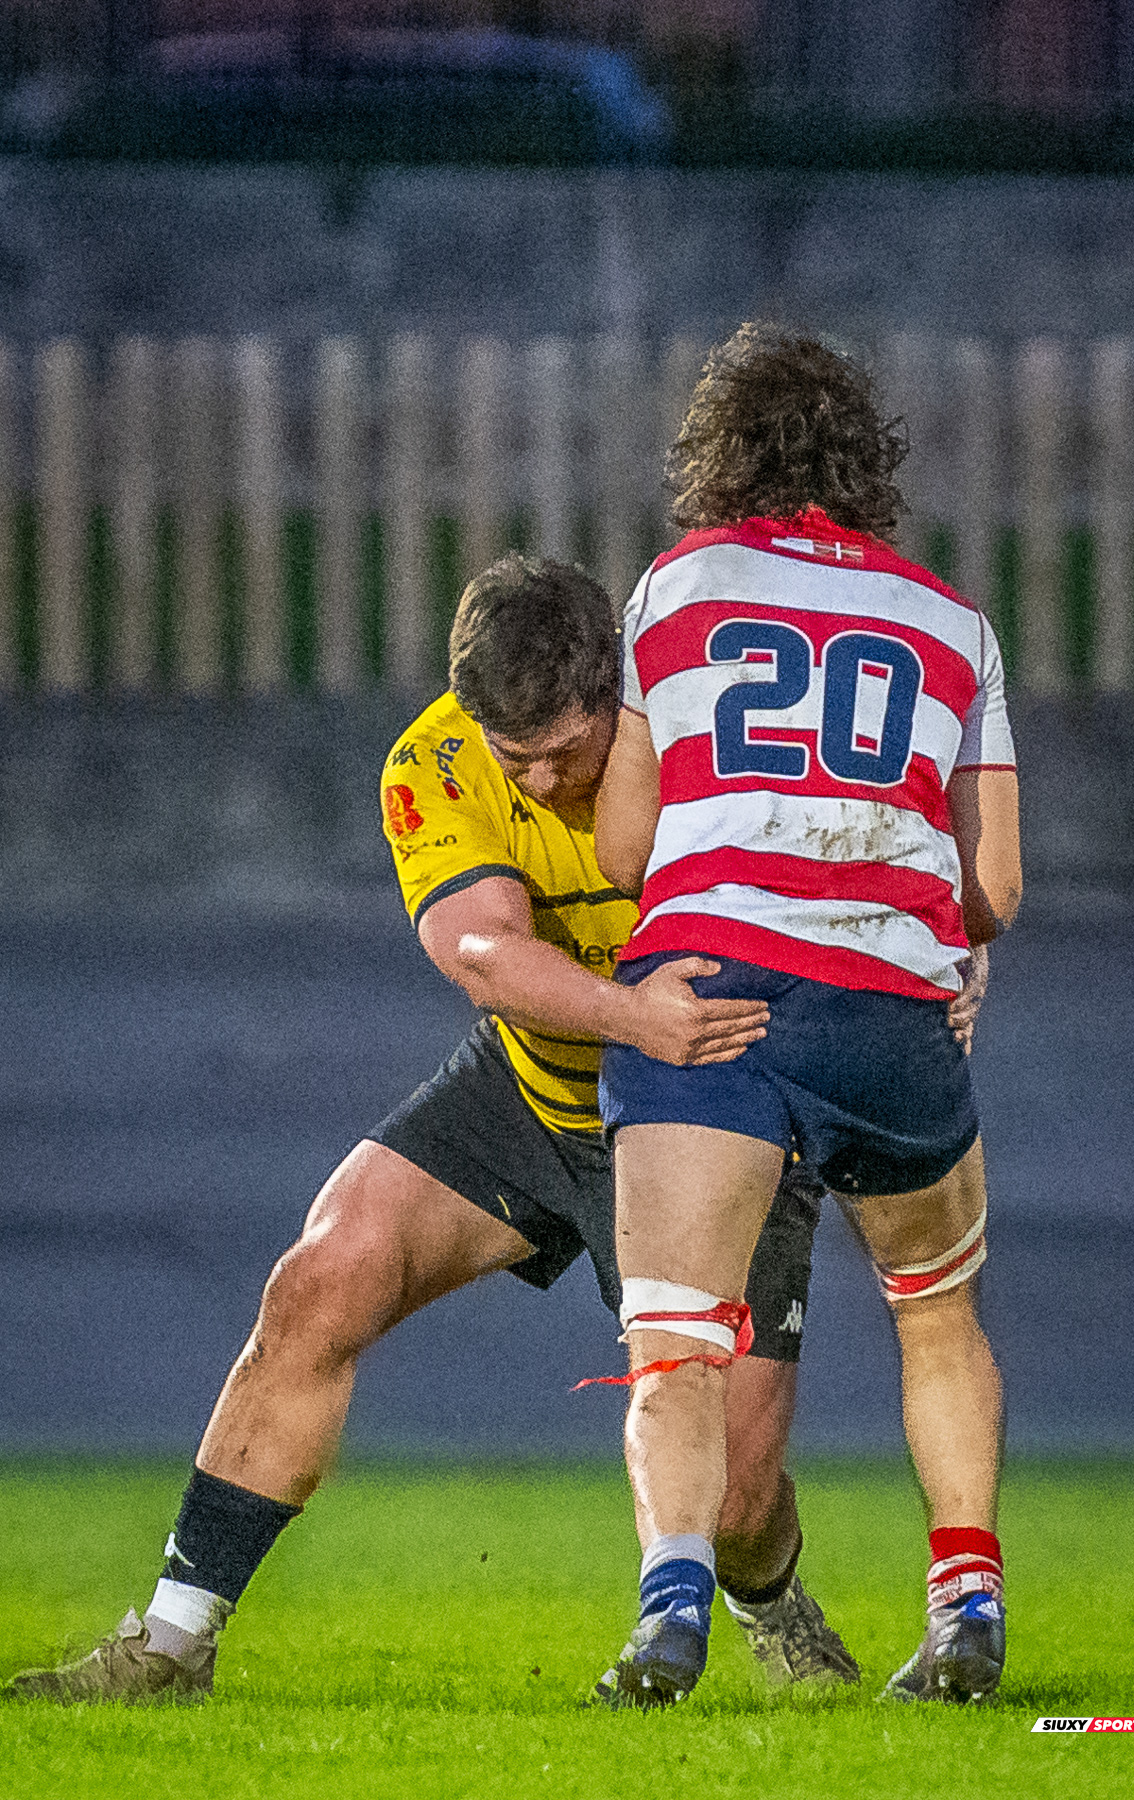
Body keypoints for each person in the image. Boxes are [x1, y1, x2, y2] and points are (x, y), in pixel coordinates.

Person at [3, 553, 861, 1708]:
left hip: (708, 1110)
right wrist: (626, 1013)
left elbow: (863, 862)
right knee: (323, 1273)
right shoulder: (436, 759)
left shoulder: (709, 726)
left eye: (575, 749)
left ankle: (771, 1602)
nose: (550, 780)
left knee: (743, 1495)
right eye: (523, 760)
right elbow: (483, 954)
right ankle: (170, 1641)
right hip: (538, 1083)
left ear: (618, 685)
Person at [591, 323, 1021, 1709]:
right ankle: (965, 1609)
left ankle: (669, 1617)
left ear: (719, 454)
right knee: (936, 1316)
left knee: (677, 1338)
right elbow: (997, 885)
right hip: (897, 1010)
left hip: (718, 995)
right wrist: (939, 935)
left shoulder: (677, 587)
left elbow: (620, 848)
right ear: (866, 459)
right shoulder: (953, 622)